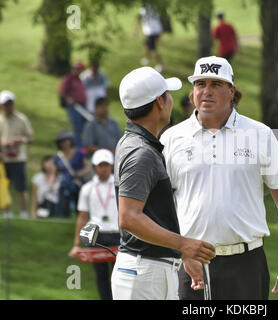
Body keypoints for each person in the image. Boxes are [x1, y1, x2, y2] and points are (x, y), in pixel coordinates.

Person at [160, 56, 278, 300]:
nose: (207, 92)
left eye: (216, 84)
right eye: (200, 84)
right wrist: (180, 251)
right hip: (192, 263)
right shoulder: (170, 139)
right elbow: (160, 205)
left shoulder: (261, 134)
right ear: (192, 92)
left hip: (247, 264)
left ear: (231, 91)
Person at [111, 66, 216, 300]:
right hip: (145, 272)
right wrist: (183, 244)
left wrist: (179, 252)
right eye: (168, 95)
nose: (171, 101)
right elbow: (129, 217)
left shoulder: (138, 144)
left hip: (149, 270)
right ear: (159, 101)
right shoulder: (141, 152)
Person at [69, 149, 120, 300]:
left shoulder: (120, 186)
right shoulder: (87, 188)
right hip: (96, 236)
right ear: (94, 166)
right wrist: (76, 244)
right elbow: (82, 217)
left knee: (119, 274)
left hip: (118, 235)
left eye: (106, 165)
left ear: (112, 166)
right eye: (100, 165)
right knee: (101, 275)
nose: (103, 168)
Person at [0, 90, 34, 219]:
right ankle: (7, 214)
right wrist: (3, 145)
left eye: (10, 104)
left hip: (19, 158)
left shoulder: (22, 118)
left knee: (21, 188)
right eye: (5, 104)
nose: (8, 107)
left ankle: (24, 214)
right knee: (5, 187)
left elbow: (30, 137)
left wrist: (21, 140)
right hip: (3, 159)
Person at [54, 131, 91, 218]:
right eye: (62, 141)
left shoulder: (79, 153)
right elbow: (56, 172)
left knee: (80, 205)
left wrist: (79, 173)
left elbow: (87, 167)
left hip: (77, 183)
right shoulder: (58, 157)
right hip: (65, 185)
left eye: (66, 140)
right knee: (64, 205)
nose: (65, 143)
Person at [59, 62, 88, 148]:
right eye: (75, 69)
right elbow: (62, 92)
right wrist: (68, 99)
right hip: (74, 107)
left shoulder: (79, 79)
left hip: (82, 106)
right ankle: (78, 148)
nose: (76, 71)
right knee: (77, 128)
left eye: (78, 69)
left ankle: (83, 147)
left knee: (85, 127)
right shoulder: (68, 78)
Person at [137, 3, 164, 71]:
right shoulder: (155, 6)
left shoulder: (145, 8)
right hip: (155, 31)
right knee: (146, 44)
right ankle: (147, 59)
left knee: (153, 49)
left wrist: (136, 30)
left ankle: (160, 65)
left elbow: (140, 19)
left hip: (152, 32)